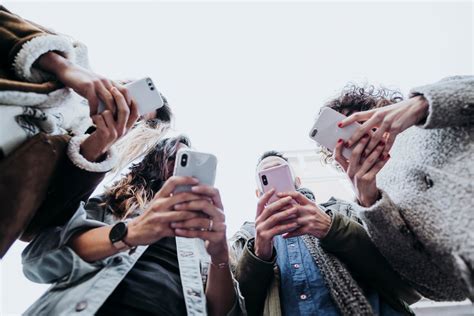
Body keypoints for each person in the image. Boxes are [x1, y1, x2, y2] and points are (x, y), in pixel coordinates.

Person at [0, 5, 171, 256]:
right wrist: (61, 66)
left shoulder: (86, 162)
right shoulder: (72, 54)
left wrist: (96, 147)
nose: (124, 112)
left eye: (135, 121)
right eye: (128, 97)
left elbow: (34, 230)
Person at [21, 135, 244, 316]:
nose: (179, 168)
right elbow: (38, 261)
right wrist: (130, 232)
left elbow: (222, 312)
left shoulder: (204, 234)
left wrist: (220, 257)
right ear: (154, 165)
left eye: (185, 160)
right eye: (172, 158)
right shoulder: (112, 204)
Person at [322, 78, 474, 301]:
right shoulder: (376, 200)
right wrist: (370, 202)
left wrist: (425, 103)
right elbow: (443, 289)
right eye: (341, 142)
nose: (355, 137)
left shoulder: (431, 115)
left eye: (357, 122)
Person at [230, 151, 420, 316]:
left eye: (280, 171)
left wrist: (332, 228)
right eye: (266, 177)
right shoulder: (246, 238)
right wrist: (259, 254)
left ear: (297, 181)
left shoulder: (342, 210)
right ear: (258, 193)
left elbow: (400, 278)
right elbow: (243, 307)